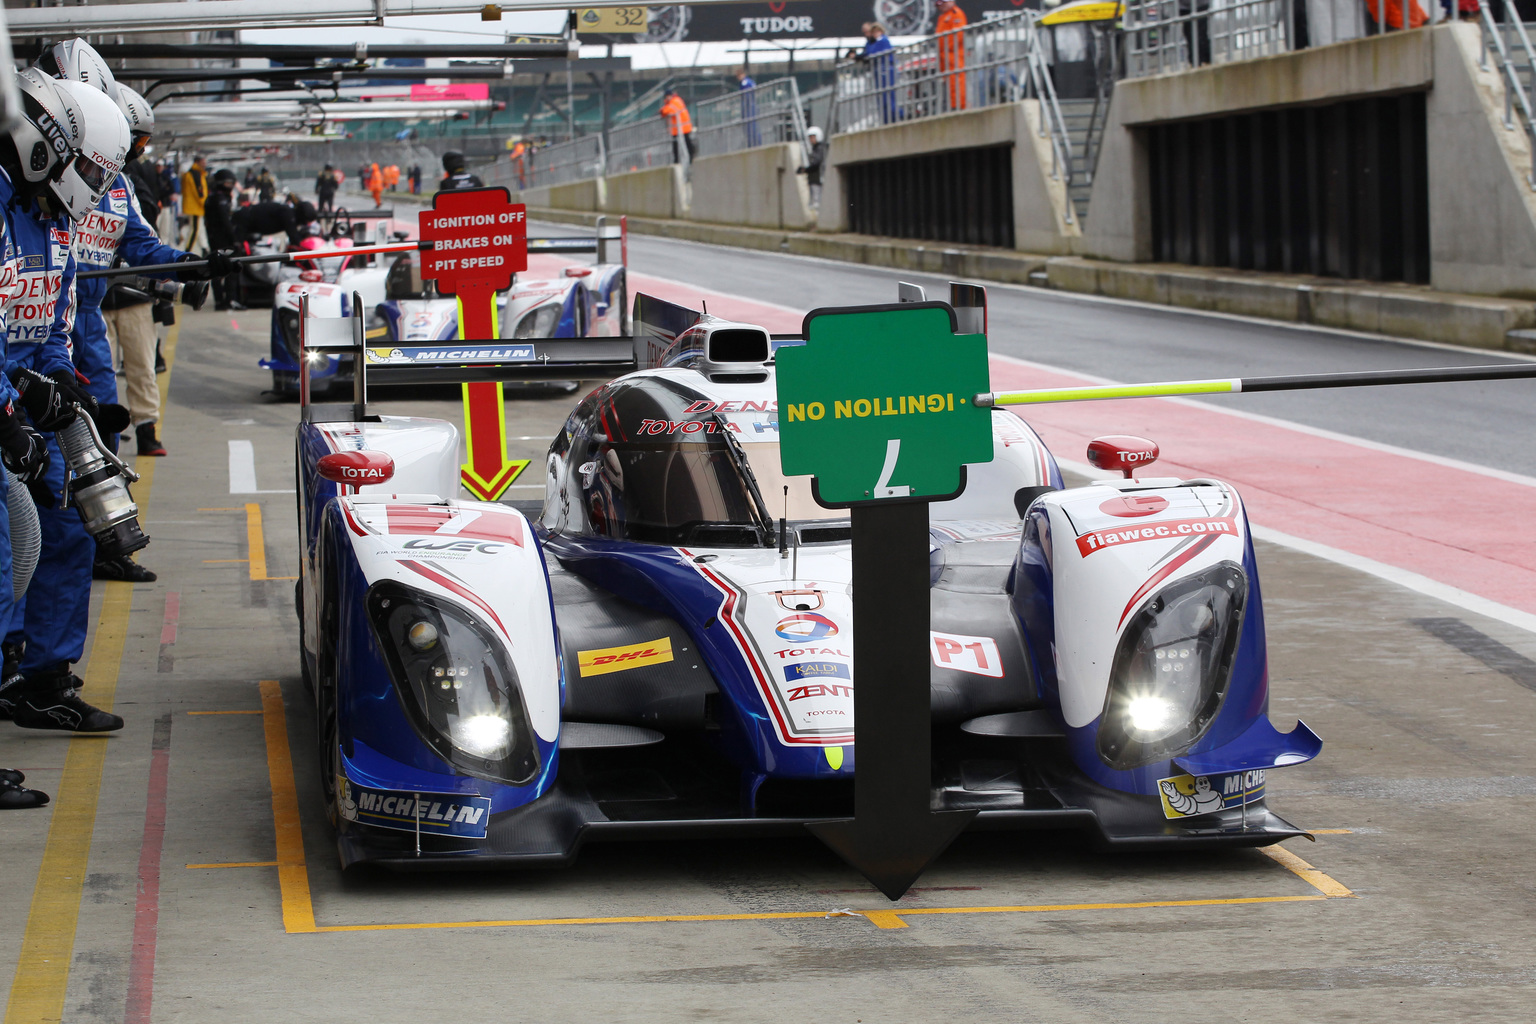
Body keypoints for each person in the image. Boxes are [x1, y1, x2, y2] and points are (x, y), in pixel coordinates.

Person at [0, 68, 131, 734]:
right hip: (4, 407)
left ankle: (42, 682)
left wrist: (60, 381)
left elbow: (53, 323)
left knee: (71, 530)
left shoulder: (52, 223)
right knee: (3, 558)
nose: (92, 189)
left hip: (22, 407)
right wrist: (11, 400)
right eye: (90, 171)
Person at [205, 169, 240, 310]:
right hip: (223, 239)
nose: (230, 186)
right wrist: (234, 239)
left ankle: (220, 300)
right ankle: (229, 299)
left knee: (217, 269)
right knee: (230, 268)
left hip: (215, 238)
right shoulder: (219, 199)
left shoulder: (214, 197)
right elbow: (225, 222)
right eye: (227, 183)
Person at [232, 199, 319, 249]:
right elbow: (294, 237)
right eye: (308, 221)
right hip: (243, 221)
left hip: (248, 223)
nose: (307, 224)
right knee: (237, 251)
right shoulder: (288, 215)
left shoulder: (289, 213)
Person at [860, 23, 898, 124]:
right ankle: (887, 120)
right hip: (881, 71)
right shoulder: (877, 41)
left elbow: (871, 52)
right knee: (883, 99)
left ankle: (894, 118)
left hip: (885, 70)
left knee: (888, 97)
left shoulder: (882, 40)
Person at [935, 0, 968, 112]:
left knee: (957, 86)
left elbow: (957, 36)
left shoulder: (956, 14)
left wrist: (945, 46)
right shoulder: (942, 18)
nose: (941, 6)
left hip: (954, 59)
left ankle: (958, 108)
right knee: (947, 90)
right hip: (945, 61)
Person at [659, 87, 696, 165]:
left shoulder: (675, 101)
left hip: (682, 126)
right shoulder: (673, 101)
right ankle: (678, 159)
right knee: (678, 143)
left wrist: (663, 110)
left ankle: (690, 155)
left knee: (685, 142)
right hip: (679, 128)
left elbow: (667, 110)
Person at [179, 153, 208, 251]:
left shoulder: (192, 173)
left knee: (199, 229)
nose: (205, 164)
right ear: (198, 162)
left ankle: (204, 248)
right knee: (195, 229)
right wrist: (204, 204)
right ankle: (188, 250)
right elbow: (199, 193)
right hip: (195, 207)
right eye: (203, 162)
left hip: (193, 206)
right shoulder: (196, 174)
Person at [797, 126, 828, 209]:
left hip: (817, 178)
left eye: (813, 137)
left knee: (817, 201)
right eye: (810, 138)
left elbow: (816, 163)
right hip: (814, 178)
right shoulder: (815, 149)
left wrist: (806, 169)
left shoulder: (820, 148)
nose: (811, 139)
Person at [736, 69, 761, 149]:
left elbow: (746, 95)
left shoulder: (745, 83)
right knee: (752, 126)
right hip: (751, 105)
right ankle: (756, 143)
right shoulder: (750, 81)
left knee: (750, 127)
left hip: (748, 106)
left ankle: (753, 144)